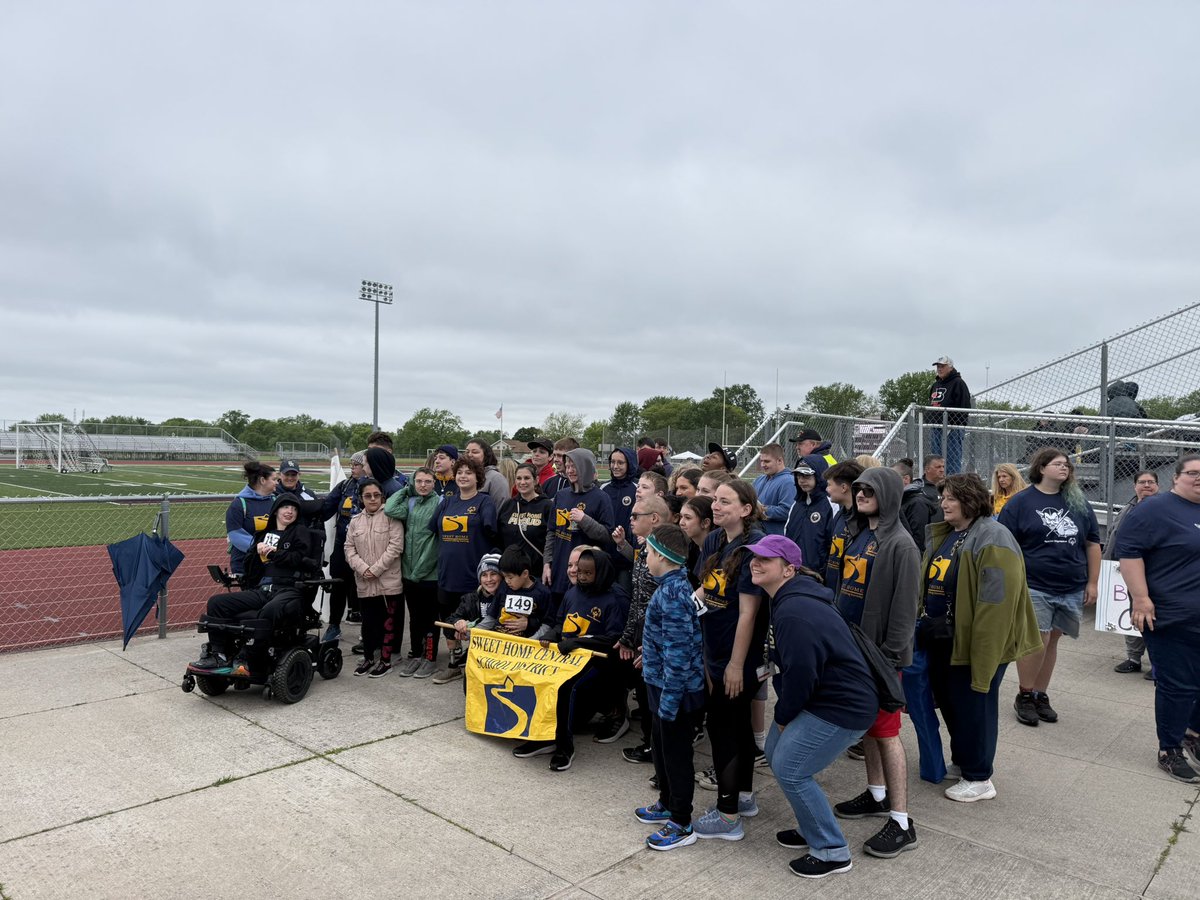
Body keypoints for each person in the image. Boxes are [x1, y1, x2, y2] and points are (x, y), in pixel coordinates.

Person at [749, 535, 878, 879]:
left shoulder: (794, 610)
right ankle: (810, 828)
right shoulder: (788, 598)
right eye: (755, 557)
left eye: (766, 560)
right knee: (778, 756)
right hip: (823, 698)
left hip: (842, 707)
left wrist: (783, 717)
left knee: (791, 769)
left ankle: (832, 851)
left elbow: (802, 674)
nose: (756, 563)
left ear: (788, 570)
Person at [921, 474, 1042, 802]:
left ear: (971, 500)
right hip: (945, 638)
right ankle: (965, 762)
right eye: (943, 497)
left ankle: (979, 778)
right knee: (953, 703)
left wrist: (983, 654)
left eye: (951, 498)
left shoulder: (994, 538)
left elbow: (995, 604)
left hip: (977, 642)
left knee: (975, 706)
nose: (943, 503)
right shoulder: (950, 532)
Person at [831, 466, 921, 859]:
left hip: (879, 656)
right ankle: (877, 793)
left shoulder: (901, 544)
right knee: (869, 727)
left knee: (886, 733)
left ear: (887, 494)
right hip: (851, 649)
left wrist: (888, 659)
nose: (862, 493)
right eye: (859, 488)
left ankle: (902, 821)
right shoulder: (858, 533)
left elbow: (904, 610)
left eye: (870, 488)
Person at [999, 448, 1101, 726]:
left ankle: (1040, 694)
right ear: (1041, 468)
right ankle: (1025, 693)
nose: (1064, 468)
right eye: (1057, 464)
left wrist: (1092, 582)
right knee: (1037, 639)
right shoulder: (1021, 502)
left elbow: (1092, 543)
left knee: (1053, 640)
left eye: (1067, 465)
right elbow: (1005, 545)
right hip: (1034, 584)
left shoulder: (1078, 502)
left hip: (1070, 585)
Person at [1115, 454, 1200, 782]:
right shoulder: (1155, 509)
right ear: (1176, 478)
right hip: (1169, 616)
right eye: (1192, 473)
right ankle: (1169, 750)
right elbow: (1129, 553)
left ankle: (1192, 735)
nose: (1198, 478)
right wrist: (1141, 598)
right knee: (1178, 685)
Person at [692, 480, 767, 840]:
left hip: (738, 656)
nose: (716, 506)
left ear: (746, 509)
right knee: (735, 728)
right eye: (715, 500)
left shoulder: (754, 549)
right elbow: (706, 588)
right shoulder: (716, 540)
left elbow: (748, 614)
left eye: (725, 501)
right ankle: (744, 796)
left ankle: (727, 815)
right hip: (715, 647)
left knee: (725, 732)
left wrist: (736, 665)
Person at [513, 548, 628, 771]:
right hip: (564, 655)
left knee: (565, 688)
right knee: (536, 677)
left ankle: (564, 748)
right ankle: (542, 737)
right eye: (579, 571)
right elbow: (559, 623)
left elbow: (614, 638)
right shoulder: (572, 593)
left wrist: (578, 643)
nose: (581, 576)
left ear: (601, 572)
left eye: (588, 573)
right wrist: (550, 635)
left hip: (595, 661)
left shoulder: (614, 599)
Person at [634, 525, 707, 852]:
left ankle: (681, 821)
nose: (645, 558)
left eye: (648, 552)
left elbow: (678, 653)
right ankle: (665, 801)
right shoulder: (667, 587)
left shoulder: (674, 594)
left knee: (676, 756)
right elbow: (663, 642)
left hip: (674, 692)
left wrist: (669, 703)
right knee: (661, 749)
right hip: (659, 686)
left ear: (662, 557)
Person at [194, 493, 319, 676]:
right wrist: (255, 551)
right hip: (261, 590)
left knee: (270, 609)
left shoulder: (300, 532)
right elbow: (251, 569)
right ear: (276, 511)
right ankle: (218, 653)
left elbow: (299, 558)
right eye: (285, 507)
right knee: (216, 603)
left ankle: (246, 654)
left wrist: (273, 553)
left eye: (293, 509)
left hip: (288, 589)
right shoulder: (263, 535)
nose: (289, 511)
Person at [429, 457, 499, 676]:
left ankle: (473, 664)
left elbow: (492, 534)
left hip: (472, 577)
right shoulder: (448, 502)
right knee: (449, 622)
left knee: (475, 623)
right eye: (459, 472)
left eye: (469, 472)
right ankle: (453, 662)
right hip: (447, 574)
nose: (463, 476)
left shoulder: (484, 502)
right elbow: (433, 528)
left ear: (477, 477)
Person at [615, 495, 672, 761]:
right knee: (643, 693)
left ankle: (657, 749)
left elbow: (663, 607)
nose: (631, 519)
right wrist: (628, 637)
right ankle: (650, 744)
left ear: (655, 519)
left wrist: (650, 645)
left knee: (655, 700)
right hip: (640, 636)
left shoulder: (665, 553)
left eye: (636, 515)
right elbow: (637, 599)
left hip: (656, 641)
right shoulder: (645, 549)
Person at [445, 548, 549, 684]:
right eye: (504, 577)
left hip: (523, 651)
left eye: (509, 577)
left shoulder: (543, 593)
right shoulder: (503, 588)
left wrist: (529, 640)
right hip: (497, 647)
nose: (506, 581)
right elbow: (492, 617)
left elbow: (548, 623)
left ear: (525, 574)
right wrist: (473, 633)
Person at [345, 478, 405, 677]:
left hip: (388, 581)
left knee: (388, 623)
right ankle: (369, 658)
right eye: (368, 496)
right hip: (364, 581)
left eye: (376, 495)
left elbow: (396, 546)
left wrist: (376, 569)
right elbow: (349, 549)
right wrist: (363, 569)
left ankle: (386, 660)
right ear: (361, 499)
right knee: (369, 623)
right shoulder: (355, 521)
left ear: (382, 496)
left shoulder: (391, 517)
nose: (372, 499)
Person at [385, 466, 441, 678]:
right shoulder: (411, 502)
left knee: (429, 619)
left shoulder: (439, 503)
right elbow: (390, 508)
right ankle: (416, 655)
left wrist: (419, 571)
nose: (423, 485)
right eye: (419, 481)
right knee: (415, 618)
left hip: (428, 575)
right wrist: (406, 490)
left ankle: (430, 657)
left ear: (434, 483)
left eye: (428, 481)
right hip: (408, 573)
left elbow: (434, 543)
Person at [543, 448, 614, 609]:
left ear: (586, 467)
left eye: (574, 466)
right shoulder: (561, 495)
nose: (569, 470)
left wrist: (584, 520)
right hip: (559, 569)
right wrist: (547, 563)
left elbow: (607, 536)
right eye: (567, 466)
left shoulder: (601, 498)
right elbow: (551, 532)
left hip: (584, 575)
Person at [1107, 470, 1160, 675]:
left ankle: (1157, 664)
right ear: (1135, 486)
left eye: (1151, 482)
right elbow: (1114, 535)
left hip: (1156, 572)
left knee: (1155, 618)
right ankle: (1133, 658)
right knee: (1133, 617)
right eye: (1142, 482)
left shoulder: (1165, 508)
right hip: (1129, 572)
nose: (1146, 485)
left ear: (1158, 486)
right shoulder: (1128, 508)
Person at [322, 451, 365, 637]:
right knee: (338, 584)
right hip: (342, 544)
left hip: (365, 546)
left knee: (365, 587)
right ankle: (334, 625)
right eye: (351, 464)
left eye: (356, 464)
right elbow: (326, 508)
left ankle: (366, 630)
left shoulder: (373, 487)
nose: (352, 468)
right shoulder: (344, 486)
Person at [496, 462, 554, 573]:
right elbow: (498, 539)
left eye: (527, 478)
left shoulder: (547, 506)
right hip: (510, 572)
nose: (522, 482)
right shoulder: (508, 506)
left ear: (536, 480)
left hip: (536, 571)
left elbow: (551, 540)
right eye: (519, 478)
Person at [225, 461, 279, 575]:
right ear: (262, 480)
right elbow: (235, 535)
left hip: (272, 564)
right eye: (274, 479)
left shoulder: (276, 501)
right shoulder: (239, 504)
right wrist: (257, 546)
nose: (277, 483)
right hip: (246, 565)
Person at [821, 460, 866, 597]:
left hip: (851, 594)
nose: (827, 489)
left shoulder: (865, 519)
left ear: (844, 487)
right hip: (833, 592)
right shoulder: (840, 515)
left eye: (829, 485)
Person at [784, 463, 834, 584]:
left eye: (806, 476)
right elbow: (787, 535)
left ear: (818, 476)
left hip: (818, 575)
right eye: (798, 476)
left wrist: (823, 569)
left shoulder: (830, 504)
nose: (802, 480)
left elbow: (832, 542)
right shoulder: (796, 504)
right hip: (793, 571)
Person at [603, 447, 641, 588]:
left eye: (620, 463)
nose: (615, 466)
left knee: (624, 594)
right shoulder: (604, 488)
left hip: (627, 556)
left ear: (629, 464)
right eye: (612, 462)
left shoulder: (637, 488)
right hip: (606, 555)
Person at [928, 357, 971, 474]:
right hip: (936, 427)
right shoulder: (935, 385)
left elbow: (965, 406)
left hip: (953, 428)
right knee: (936, 459)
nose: (939, 369)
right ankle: (938, 485)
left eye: (942, 366)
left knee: (952, 459)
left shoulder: (959, 383)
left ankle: (952, 486)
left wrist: (955, 425)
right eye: (938, 366)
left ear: (950, 367)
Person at [893, 459, 939, 554]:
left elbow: (918, 542)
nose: (888, 482)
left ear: (906, 479)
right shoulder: (900, 500)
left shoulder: (917, 503)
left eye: (891, 478)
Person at [753, 443, 797, 536]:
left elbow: (788, 511)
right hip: (757, 535)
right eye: (761, 461)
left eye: (767, 461)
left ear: (780, 461)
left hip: (775, 539)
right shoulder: (759, 479)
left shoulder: (788, 482)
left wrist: (763, 511)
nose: (762, 465)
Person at [464, 438, 511, 509]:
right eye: (467, 452)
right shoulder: (462, 477)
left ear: (486, 455)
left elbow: (501, 508)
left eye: (475, 452)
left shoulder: (496, 478)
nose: (470, 455)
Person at [679, 495, 714, 587]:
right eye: (681, 517)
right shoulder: (690, 547)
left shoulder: (715, 552)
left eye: (688, 518)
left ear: (705, 523)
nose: (681, 522)